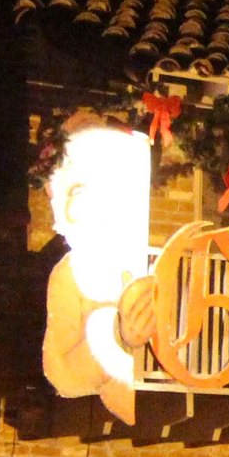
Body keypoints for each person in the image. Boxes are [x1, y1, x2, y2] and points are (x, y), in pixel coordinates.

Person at [41, 122, 159, 424]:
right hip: (134, 405)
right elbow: (62, 373)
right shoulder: (71, 274)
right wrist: (117, 337)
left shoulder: (150, 260)